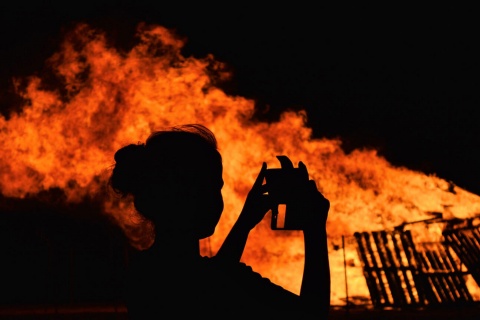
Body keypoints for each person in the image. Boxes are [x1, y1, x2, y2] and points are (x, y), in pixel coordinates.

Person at [109, 124, 330, 319]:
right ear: (187, 195)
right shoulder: (218, 282)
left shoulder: (143, 272)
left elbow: (216, 273)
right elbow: (312, 313)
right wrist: (315, 228)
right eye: (214, 187)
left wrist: (245, 222)